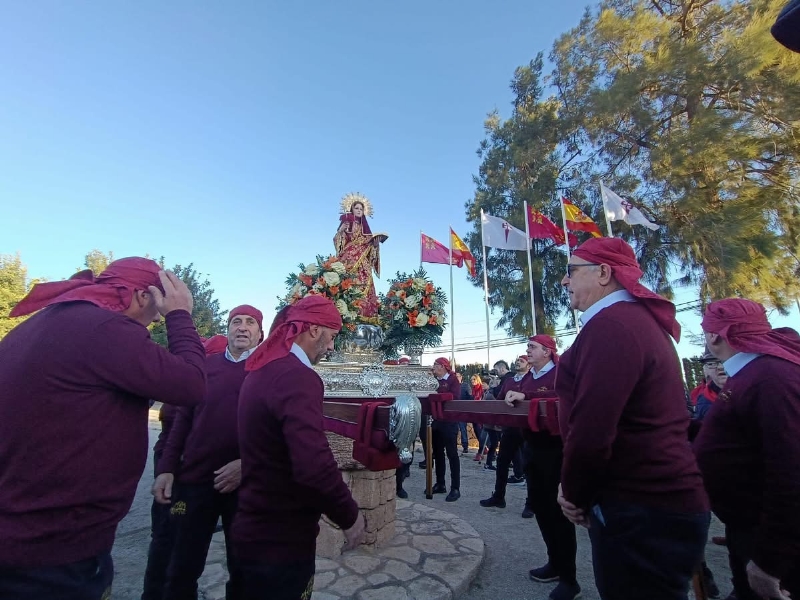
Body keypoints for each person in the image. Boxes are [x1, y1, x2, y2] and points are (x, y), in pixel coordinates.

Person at [0, 258, 206, 600]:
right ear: (142, 297)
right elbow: (192, 384)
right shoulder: (105, 328)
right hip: (52, 552)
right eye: (157, 311)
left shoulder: (48, 323)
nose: (156, 322)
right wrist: (180, 315)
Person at [556, 238, 709, 600]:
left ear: (604, 273)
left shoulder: (613, 327)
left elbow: (593, 429)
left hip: (642, 509)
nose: (565, 282)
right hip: (652, 507)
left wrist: (574, 493)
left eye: (571, 271)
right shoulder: (629, 323)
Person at [231, 296, 365, 600]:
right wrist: (349, 515)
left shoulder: (263, 369)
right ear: (314, 330)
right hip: (280, 537)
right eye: (331, 337)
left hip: (252, 527)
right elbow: (312, 465)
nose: (331, 347)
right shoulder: (299, 377)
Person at [152, 305, 264, 600]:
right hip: (195, 482)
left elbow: (275, 433)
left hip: (245, 486)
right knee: (181, 566)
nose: (242, 327)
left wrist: (247, 464)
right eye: (236, 321)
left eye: (250, 322)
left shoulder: (268, 372)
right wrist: (166, 468)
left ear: (260, 333)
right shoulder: (206, 367)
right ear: (227, 329)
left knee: (242, 569)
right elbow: (182, 422)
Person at [695, 299, 800, 600]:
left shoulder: (769, 378)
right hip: (746, 526)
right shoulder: (753, 373)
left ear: (714, 336)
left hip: (770, 537)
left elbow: (791, 471)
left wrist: (770, 561)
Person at [333, 194, 387, 317]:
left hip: (363, 263)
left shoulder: (366, 229)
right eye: (356, 208)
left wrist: (375, 244)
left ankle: (364, 315)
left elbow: (370, 248)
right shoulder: (347, 224)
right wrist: (341, 230)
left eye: (361, 209)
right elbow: (339, 244)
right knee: (349, 284)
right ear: (352, 209)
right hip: (348, 259)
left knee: (365, 282)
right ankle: (347, 313)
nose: (359, 210)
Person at [430, 357, 463, 502]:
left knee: (452, 454)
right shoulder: (434, 380)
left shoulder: (453, 380)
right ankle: (440, 483)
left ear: (443, 366)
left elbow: (454, 396)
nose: (433, 368)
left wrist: (436, 397)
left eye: (435, 365)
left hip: (449, 422)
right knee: (438, 454)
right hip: (436, 421)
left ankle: (455, 488)